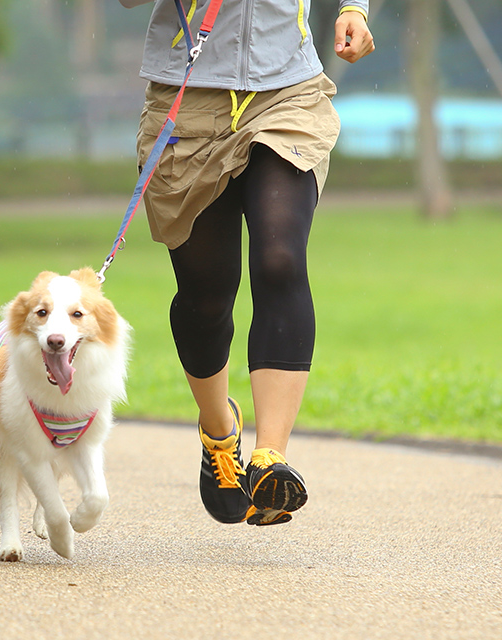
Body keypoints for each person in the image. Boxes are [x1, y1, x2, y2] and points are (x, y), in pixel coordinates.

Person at [119, 0, 375, 525]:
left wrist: (355, 8)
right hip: (190, 96)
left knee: (280, 258)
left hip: (287, 91)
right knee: (206, 294)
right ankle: (219, 432)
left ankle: (269, 458)